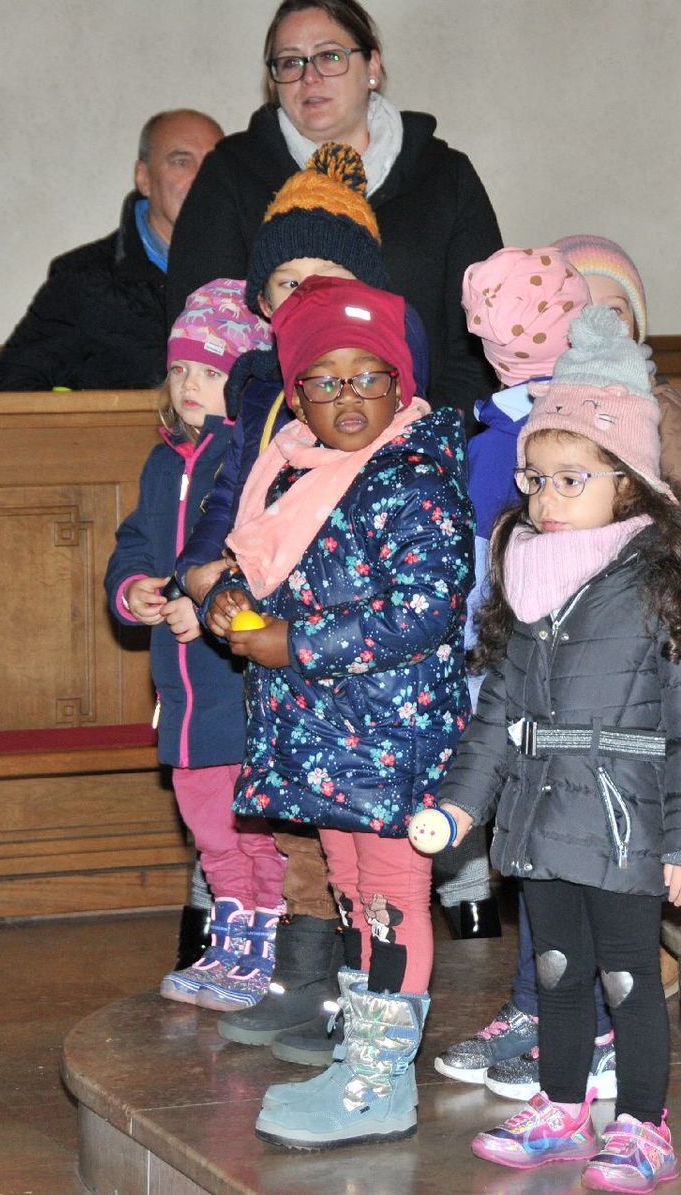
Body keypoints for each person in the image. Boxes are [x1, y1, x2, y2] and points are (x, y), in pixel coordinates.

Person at [434, 305, 681, 1193]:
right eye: (536, 480)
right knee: (556, 968)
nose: (546, 500)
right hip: (540, 814)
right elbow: (498, 713)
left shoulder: (671, 578)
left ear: (629, 482)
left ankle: (642, 1124)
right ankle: (563, 1105)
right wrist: (462, 803)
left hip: (626, 818)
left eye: (571, 479)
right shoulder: (529, 577)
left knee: (629, 977)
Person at [206, 275, 470, 1150]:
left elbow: (424, 609)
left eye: (367, 376)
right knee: (355, 896)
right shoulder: (294, 472)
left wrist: (296, 644)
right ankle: (363, 1056)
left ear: (401, 384)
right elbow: (274, 569)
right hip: (331, 740)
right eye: (324, 380)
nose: (347, 396)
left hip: (392, 739)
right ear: (295, 395)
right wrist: (234, 600)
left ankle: (380, 1085)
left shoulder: (413, 478)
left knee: (391, 902)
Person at [166, 0, 500, 412]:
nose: (309, 77)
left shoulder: (445, 175)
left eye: (330, 56)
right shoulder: (230, 174)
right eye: (290, 62)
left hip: (429, 430)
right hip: (272, 435)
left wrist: (425, 434)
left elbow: (481, 340)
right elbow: (205, 332)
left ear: (372, 67)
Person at [104, 280, 286, 1011]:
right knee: (208, 825)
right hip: (179, 691)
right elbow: (135, 542)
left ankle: (265, 940)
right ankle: (228, 933)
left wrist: (202, 601)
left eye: (210, 371)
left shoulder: (252, 461)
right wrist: (135, 589)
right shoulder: (163, 463)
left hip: (233, 684)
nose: (189, 384)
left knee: (253, 825)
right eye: (180, 368)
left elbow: (261, 560)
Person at [0, 109, 221, 391]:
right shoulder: (83, 280)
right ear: (143, 178)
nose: (202, 177)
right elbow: (10, 384)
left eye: (214, 163)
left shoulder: (254, 272)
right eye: (181, 162)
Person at [552, 234, 681, 517]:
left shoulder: (658, 406)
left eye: (614, 310)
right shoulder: (539, 402)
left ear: (635, 326)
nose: (601, 324)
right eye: (583, 310)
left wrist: (633, 516)